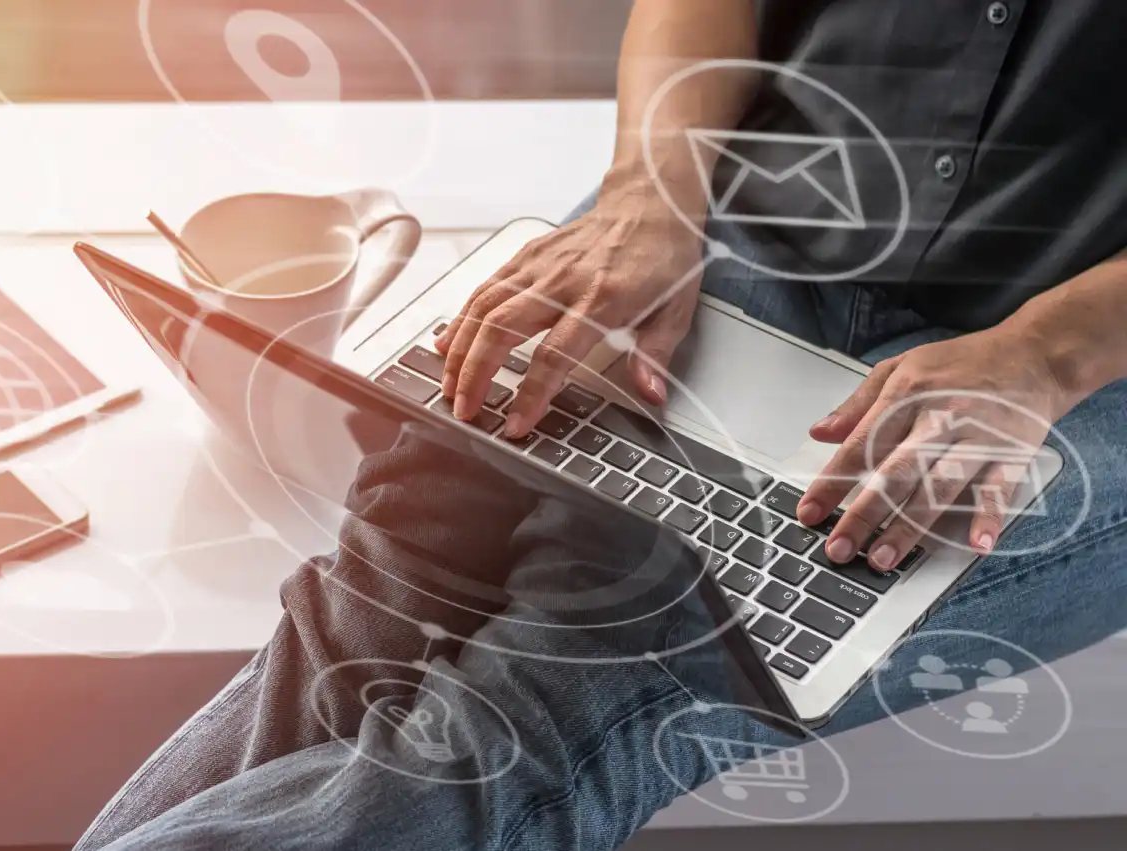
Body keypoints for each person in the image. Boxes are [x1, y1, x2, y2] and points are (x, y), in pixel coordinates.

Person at [75, 1, 1127, 848]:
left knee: (606, 664)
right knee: (412, 547)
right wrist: (649, 190)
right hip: (735, 223)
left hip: (1085, 368)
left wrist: (1045, 352)